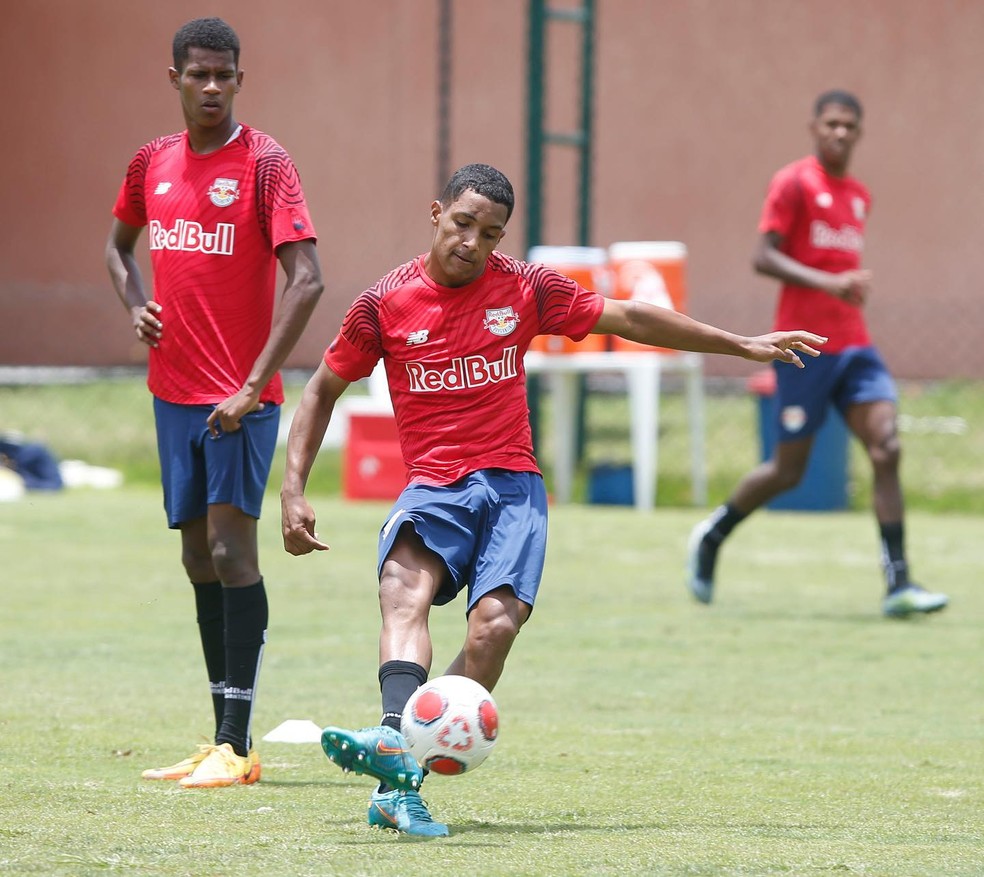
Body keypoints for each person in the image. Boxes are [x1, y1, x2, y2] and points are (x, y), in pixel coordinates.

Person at [280, 163, 824, 835]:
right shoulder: (383, 304)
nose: (472, 243)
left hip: (512, 486)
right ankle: (394, 731)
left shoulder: (527, 287)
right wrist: (293, 487)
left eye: (490, 232)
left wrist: (738, 343)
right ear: (435, 213)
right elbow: (320, 392)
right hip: (435, 486)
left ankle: (402, 777)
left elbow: (626, 314)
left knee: (494, 631)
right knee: (402, 584)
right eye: (461, 224)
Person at [105, 17, 323, 788]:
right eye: (196, 74)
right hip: (172, 394)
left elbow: (308, 279)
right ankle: (222, 736)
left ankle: (238, 743)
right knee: (197, 555)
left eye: (223, 75)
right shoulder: (150, 163)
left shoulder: (265, 164)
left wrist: (251, 382)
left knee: (233, 552)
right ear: (174, 78)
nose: (210, 87)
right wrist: (136, 303)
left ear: (239, 78)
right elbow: (116, 246)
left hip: (241, 401)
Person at [686, 90, 948, 619]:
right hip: (802, 346)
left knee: (887, 447)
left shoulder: (858, 196)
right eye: (831, 123)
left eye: (850, 126)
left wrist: (842, 290)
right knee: (788, 471)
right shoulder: (794, 183)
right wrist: (831, 282)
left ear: (859, 133)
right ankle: (712, 535)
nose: (840, 133)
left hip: (856, 346)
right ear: (814, 128)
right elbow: (763, 257)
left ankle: (898, 583)